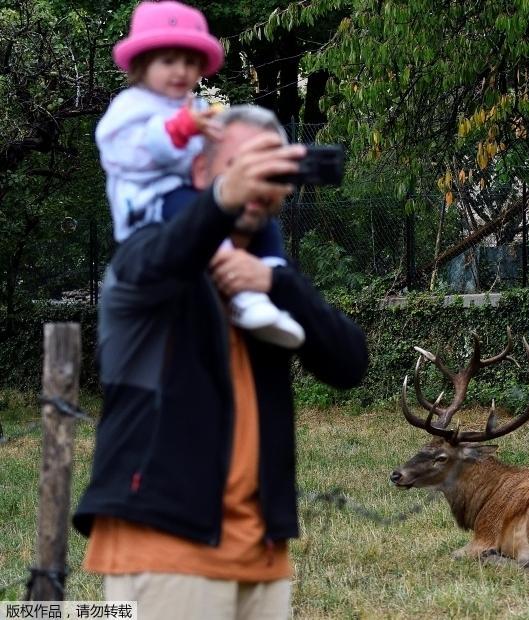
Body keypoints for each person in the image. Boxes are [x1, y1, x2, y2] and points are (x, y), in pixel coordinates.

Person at [73, 105, 369, 620]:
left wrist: (276, 283)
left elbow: (349, 364)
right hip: (163, 543)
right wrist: (220, 203)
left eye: (269, 168)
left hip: (260, 551)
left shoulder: (268, 275)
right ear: (200, 172)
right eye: (240, 166)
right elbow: (159, 258)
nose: (255, 182)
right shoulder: (147, 257)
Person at [96, 0, 303, 348]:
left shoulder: (195, 106)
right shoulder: (129, 107)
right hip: (151, 202)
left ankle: (267, 281)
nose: (181, 71)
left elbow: (216, 153)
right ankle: (241, 298)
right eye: (169, 61)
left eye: (190, 62)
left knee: (257, 216)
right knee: (204, 212)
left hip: (197, 191)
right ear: (142, 64)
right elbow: (123, 155)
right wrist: (179, 130)